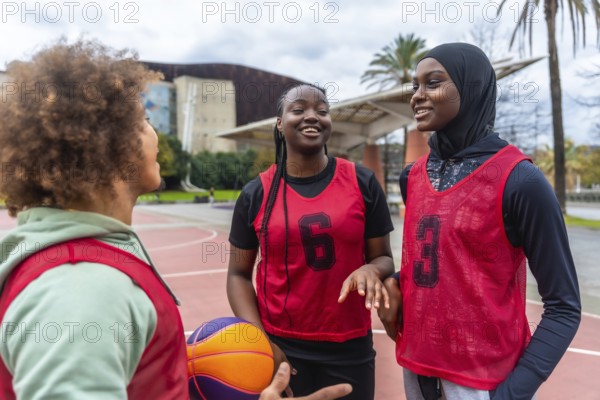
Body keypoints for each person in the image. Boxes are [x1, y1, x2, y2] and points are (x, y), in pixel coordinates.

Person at [0, 39, 351, 400]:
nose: (155, 133)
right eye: (145, 120)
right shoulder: (81, 289)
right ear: (110, 142)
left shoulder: (80, 264)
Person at [378, 42, 581, 400]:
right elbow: (441, 263)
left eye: (433, 83)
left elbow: (564, 306)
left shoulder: (520, 180)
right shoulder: (412, 177)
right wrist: (391, 282)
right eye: (415, 86)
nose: (417, 96)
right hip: (417, 372)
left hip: (484, 384)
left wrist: (514, 392)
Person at [227, 83, 395, 399]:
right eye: (299, 109)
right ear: (279, 123)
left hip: (349, 346)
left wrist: (372, 271)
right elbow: (237, 274)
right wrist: (262, 343)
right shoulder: (257, 193)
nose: (312, 116)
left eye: (322, 110)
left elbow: (384, 257)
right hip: (280, 345)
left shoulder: (362, 182)